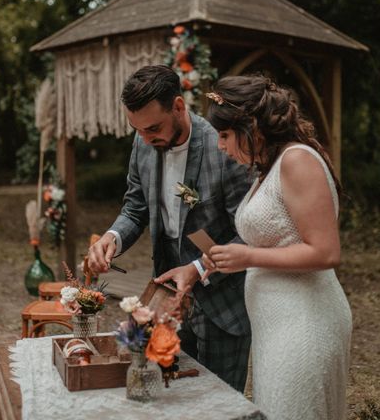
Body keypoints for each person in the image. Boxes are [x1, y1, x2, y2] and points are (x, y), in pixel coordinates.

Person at [87, 65, 253, 392]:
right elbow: (135, 206)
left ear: (178, 107)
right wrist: (113, 237)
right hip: (165, 301)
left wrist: (197, 267)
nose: (146, 139)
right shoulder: (143, 142)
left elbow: (247, 234)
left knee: (221, 404)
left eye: (153, 128)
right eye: (138, 130)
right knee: (173, 396)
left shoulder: (224, 148)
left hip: (221, 302)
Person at [203, 75, 352, 419]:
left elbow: (326, 252)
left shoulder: (297, 161)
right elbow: (277, 238)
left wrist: (248, 257)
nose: (220, 147)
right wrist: (226, 257)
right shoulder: (267, 169)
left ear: (251, 125)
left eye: (224, 135)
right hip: (277, 327)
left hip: (305, 324)